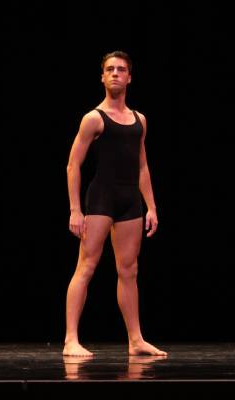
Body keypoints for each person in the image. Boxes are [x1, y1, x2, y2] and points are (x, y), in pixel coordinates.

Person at [63, 51, 167, 357]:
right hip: (101, 199)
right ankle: (71, 339)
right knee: (87, 265)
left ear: (130, 77)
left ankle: (135, 341)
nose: (115, 73)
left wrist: (152, 207)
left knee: (129, 270)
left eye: (121, 69)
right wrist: (75, 209)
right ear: (102, 77)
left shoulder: (140, 120)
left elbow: (143, 167)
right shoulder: (93, 118)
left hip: (129, 202)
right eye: (109, 69)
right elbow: (73, 165)